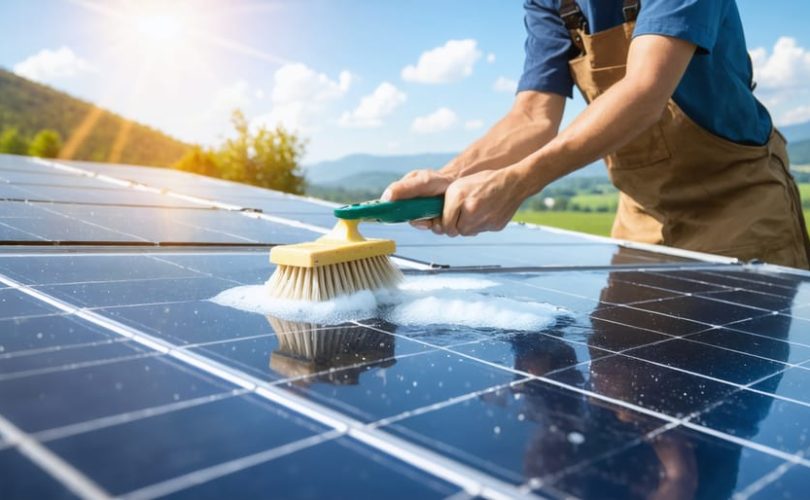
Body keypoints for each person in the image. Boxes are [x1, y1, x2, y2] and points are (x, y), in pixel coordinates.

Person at [382, 0, 810, 269]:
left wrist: (517, 182)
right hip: (640, 217)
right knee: (625, 380)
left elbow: (646, 90)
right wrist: (450, 177)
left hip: (739, 205)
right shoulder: (551, 2)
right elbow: (532, 116)